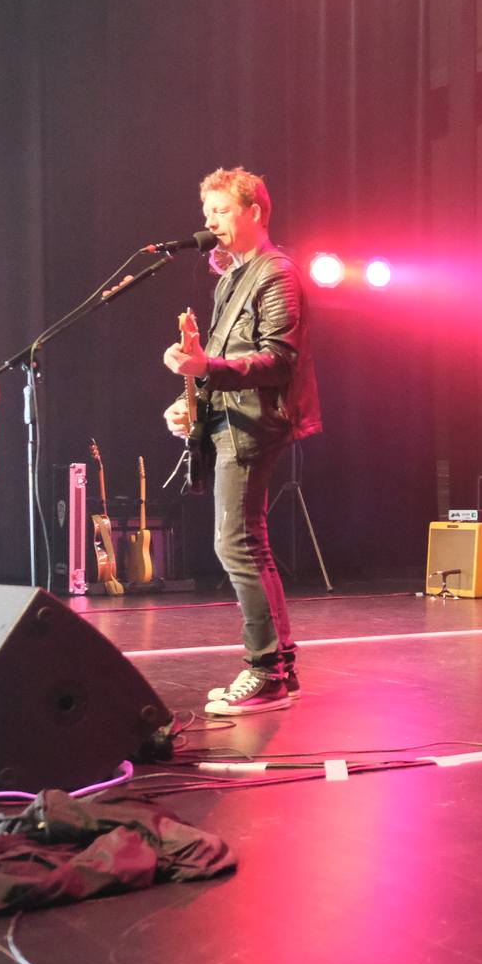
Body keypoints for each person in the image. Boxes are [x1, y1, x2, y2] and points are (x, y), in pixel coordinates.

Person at [163, 167, 321, 717]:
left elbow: (279, 360)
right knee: (246, 542)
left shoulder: (275, 273)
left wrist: (206, 367)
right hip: (231, 419)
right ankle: (280, 668)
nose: (211, 222)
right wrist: (190, 395)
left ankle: (265, 671)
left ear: (254, 212)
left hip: (254, 423)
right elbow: (221, 360)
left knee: (236, 544)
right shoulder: (232, 277)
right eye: (207, 212)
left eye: (222, 210)